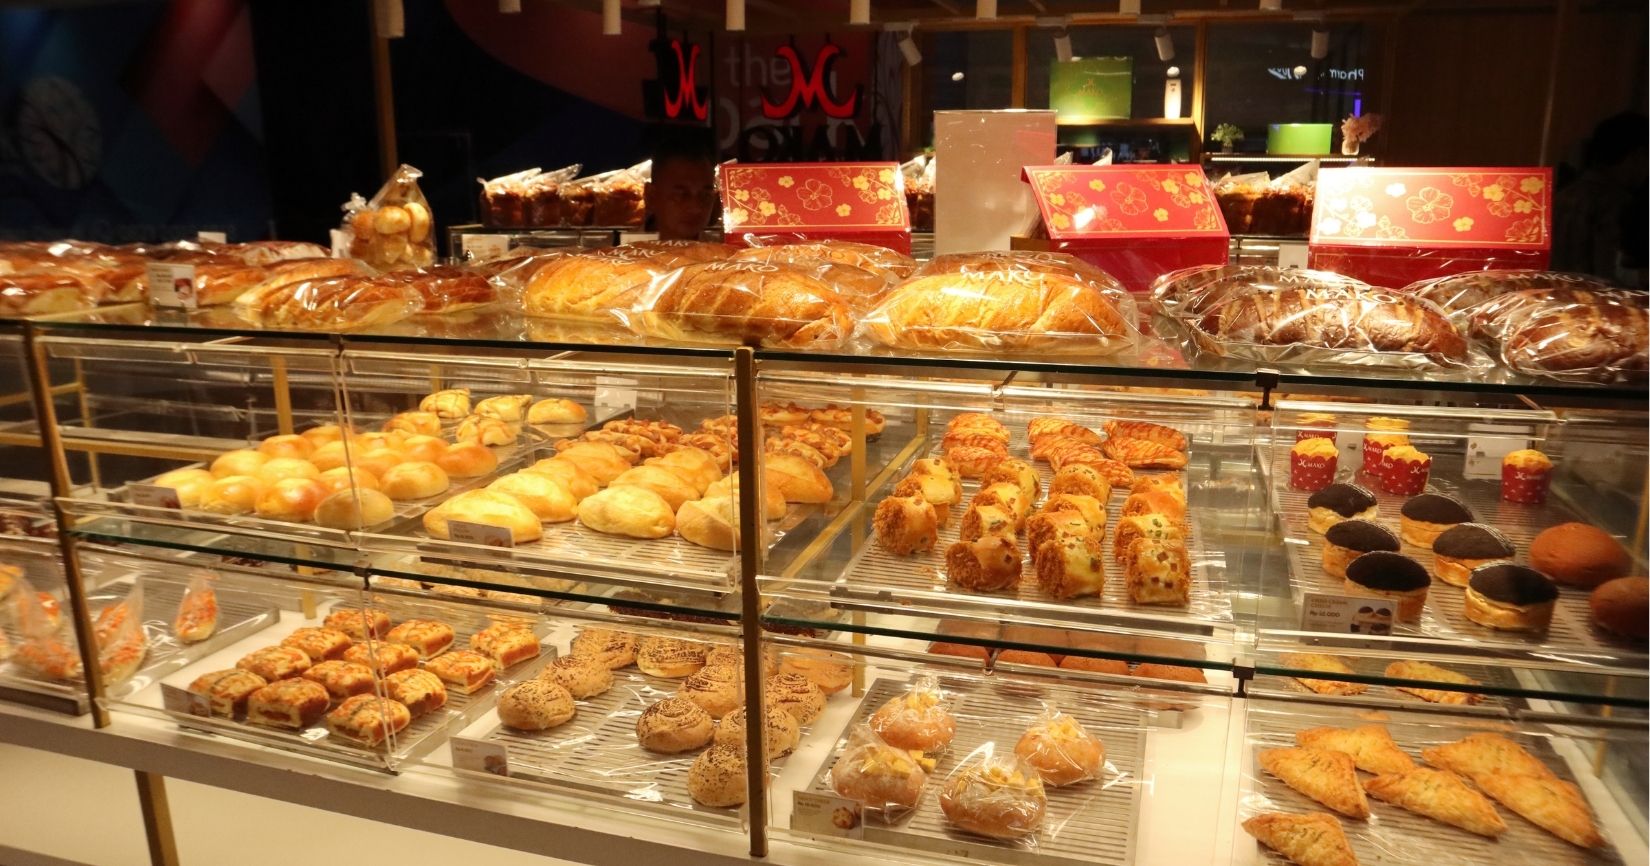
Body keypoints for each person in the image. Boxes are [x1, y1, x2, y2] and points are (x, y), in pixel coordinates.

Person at [1552, 112, 1648, 287]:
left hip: (1553, 296)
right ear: (1637, 155)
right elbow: (1609, 274)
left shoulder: (1564, 193)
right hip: (1593, 304)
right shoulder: (1616, 202)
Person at [644, 128, 718, 241]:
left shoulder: (725, 254)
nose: (696, 208)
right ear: (651, 196)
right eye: (681, 195)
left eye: (705, 196)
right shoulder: (620, 252)